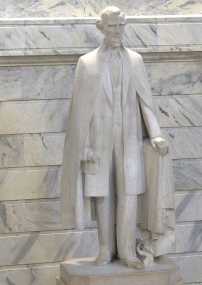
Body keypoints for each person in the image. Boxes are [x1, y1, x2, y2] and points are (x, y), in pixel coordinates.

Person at [60, 6, 174, 269]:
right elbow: (80, 110)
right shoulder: (86, 63)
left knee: (129, 193)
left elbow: (146, 101)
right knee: (103, 195)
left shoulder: (135, 60)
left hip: (130, 139)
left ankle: (127, 253)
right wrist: (85, 144)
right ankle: (105, 250)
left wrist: (155, 134)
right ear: (102, 27)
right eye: (112, 26)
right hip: (100, 141)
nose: (118, 31)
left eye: (121, 26)